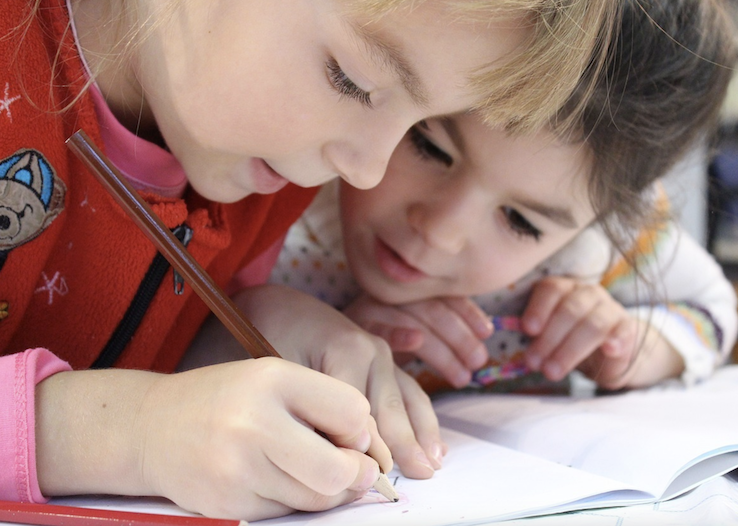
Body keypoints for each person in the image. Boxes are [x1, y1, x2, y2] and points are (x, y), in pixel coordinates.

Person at [0, 0, 619, 521]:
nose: (367, 169)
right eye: (354, 81)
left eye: (419, 122)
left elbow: (124, 344)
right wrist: (134, 435)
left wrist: (244, 330)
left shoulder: (270, 171)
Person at [266, 0, 738, 395]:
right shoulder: (280, 186)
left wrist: (635, 347)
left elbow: (713, 309)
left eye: (520, 222)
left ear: (602, 220)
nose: (440, 231)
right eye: (429, 147)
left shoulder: (601, 248)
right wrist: (303, 336)